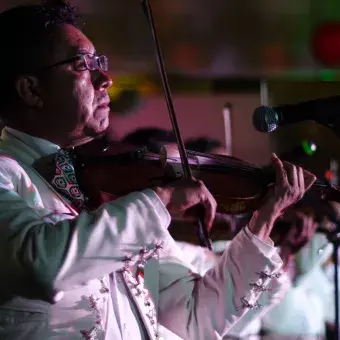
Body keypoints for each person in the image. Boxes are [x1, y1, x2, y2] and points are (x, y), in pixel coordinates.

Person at [0, 2, 316, 340]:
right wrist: (160, 200)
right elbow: (43, 264)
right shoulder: (8, 174)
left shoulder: (103, 190)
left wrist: (262, 222)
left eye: (99, 63)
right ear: (31, 90)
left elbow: (194, 320)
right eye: (81, 65)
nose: (106, 78)